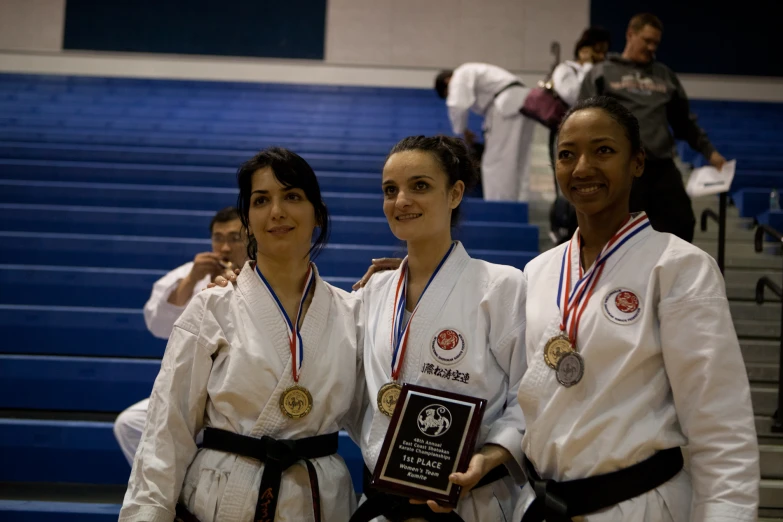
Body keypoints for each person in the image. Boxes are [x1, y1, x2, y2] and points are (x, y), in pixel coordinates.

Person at [513, 96, 759, 521]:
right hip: (542, 504)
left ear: (638, 162)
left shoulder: (680, 267)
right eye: (567, 154)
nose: (582, 167)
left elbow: (721, 430)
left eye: (603, 150)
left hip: (636, 506)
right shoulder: (537, 272)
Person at [118, 148, 364, 522]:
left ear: (317, 214)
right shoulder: (211, 308)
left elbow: (378, 424)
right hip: (224, 497)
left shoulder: (352, 313)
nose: (277, 211)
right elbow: (167, 432)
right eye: (261, 200)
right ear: (248, 221)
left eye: (292, 196)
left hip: (318, 501)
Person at [350, 136, 527, 522]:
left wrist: (489, 456)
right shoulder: (372, 293)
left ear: (455, 193)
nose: (401, 201)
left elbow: (528, 396)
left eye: (420, 186)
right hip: (384, 506)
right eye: (390, 190)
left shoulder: (499, 286)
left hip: (470, 505)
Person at [113, 206, 248, 464]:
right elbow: (158, 325)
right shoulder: (188, 271)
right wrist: (192, 279)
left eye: (234, 238)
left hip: (239, 388)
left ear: (250, 238)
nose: (225, 247)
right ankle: (173, 500)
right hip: (192, 386)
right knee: (130, 424)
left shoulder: (262, 275)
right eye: (218, 238)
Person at [579, 13, 727, 243]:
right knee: (621, 234)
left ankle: (670, 277)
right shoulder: (602, 73)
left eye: (655, 43)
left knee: (683, 222)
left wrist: (711, 153)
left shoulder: (664, 75)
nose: (651, 47)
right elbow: (583, 121)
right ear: (630, 34)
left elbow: (684, 122)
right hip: (621, 168)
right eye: (646, 40)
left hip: (661, 166)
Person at [435, 64, 536, 202]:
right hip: (524, 102)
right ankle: (519, 204)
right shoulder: (476, 70)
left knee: (496, 161)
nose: (451, 94)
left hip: (505, 105)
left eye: (448, 93)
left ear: (447, 81)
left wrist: (462, 130)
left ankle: (499, 206)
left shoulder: (460, 74)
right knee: (519, 160)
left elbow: (457, 105)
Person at [549, 27, 612, 245]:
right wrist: (587, 67)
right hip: (568, 134)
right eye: (597, 51)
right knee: (568, 183)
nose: (602, 56)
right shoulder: (565, 69)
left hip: (596, 134)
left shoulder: (604, 72)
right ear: (584, 50)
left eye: (604, 52)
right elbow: (575, 96)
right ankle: (562, 232)